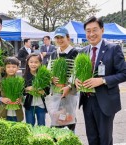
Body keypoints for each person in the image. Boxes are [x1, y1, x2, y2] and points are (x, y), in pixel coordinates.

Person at [75, 16, 126, 145]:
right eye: (88, 31)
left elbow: (124, 73)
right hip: (87, 100)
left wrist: (102, 80)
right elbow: (77, 73)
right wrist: (76, 81)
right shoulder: (82, 51)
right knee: (91, 138)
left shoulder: (113, 49)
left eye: (94, 30)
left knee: (105, 139)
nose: (91, 34)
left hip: (105, 101)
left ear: (102, 30)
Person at [46, 27, 78, 131]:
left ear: (68, 38)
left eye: (62, 37)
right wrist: (51, 78)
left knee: (69, 120)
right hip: (56, 92)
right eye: (57, 38)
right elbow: (48, 69)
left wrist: (69, 86)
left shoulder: (75, 53)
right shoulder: (54, 54)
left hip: (69, 92)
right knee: (56, 119)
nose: (59, 40)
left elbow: (76, 72)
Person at [0, 57, 24, 122]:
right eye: (8, 67)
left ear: (18, 68)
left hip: (16, 113)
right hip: (2, 113)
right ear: (5, 68)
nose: (11, 69)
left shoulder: (20, 81)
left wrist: (20, 99)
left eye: (14, 67)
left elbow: (23, 94)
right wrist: (2, 99)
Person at [23, 53, 49, 126]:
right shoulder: (24, 77)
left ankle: (41, 137)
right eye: (31, 62)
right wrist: (27, 89)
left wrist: (43, 92)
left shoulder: (44, 76)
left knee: (41, 124)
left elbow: (48, 90)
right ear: (28, 63)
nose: (33, 64)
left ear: (40, 63)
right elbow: (22, 91)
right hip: (29, 105)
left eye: (36, 62)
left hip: (41, 105)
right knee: (30, 124)